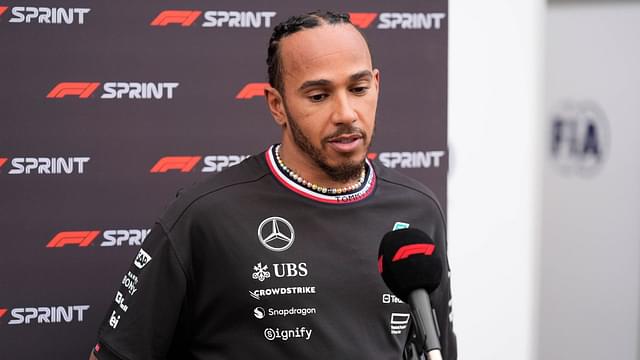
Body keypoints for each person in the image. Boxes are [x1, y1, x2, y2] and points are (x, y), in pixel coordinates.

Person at [90, 11, 456, 360]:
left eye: (358, 88)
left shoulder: (418, 210)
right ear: (277, 105)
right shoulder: (205, 216)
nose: (345, 113)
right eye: (318, 95)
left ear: (376, 85)